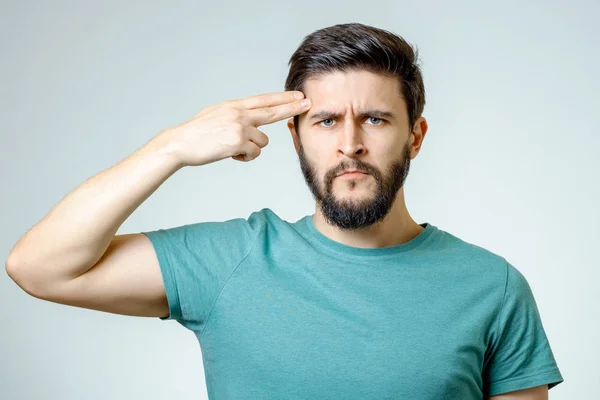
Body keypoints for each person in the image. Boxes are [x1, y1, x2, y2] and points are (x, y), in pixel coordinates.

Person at [5, 23, 563, 399]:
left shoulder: (492, 286)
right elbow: (40, 267)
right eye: (325, 121)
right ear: (296, 139)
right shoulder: (230, 260)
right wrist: (170, 147)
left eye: (374, 119)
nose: (349, 144)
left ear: (415, 136)